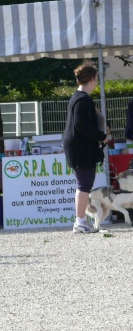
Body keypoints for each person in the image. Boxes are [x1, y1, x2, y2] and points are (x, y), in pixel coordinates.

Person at [62, 62, 110, 234]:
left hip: (76, 146)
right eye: (96, 78)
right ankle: (80, 221)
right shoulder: (83, 99)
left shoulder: (77, 97)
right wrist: (101, 136)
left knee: (84, 184)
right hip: (80, 147)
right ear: (91, 79)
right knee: (84, 185)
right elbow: (81, 124)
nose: (97, 81)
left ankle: (80, 220)